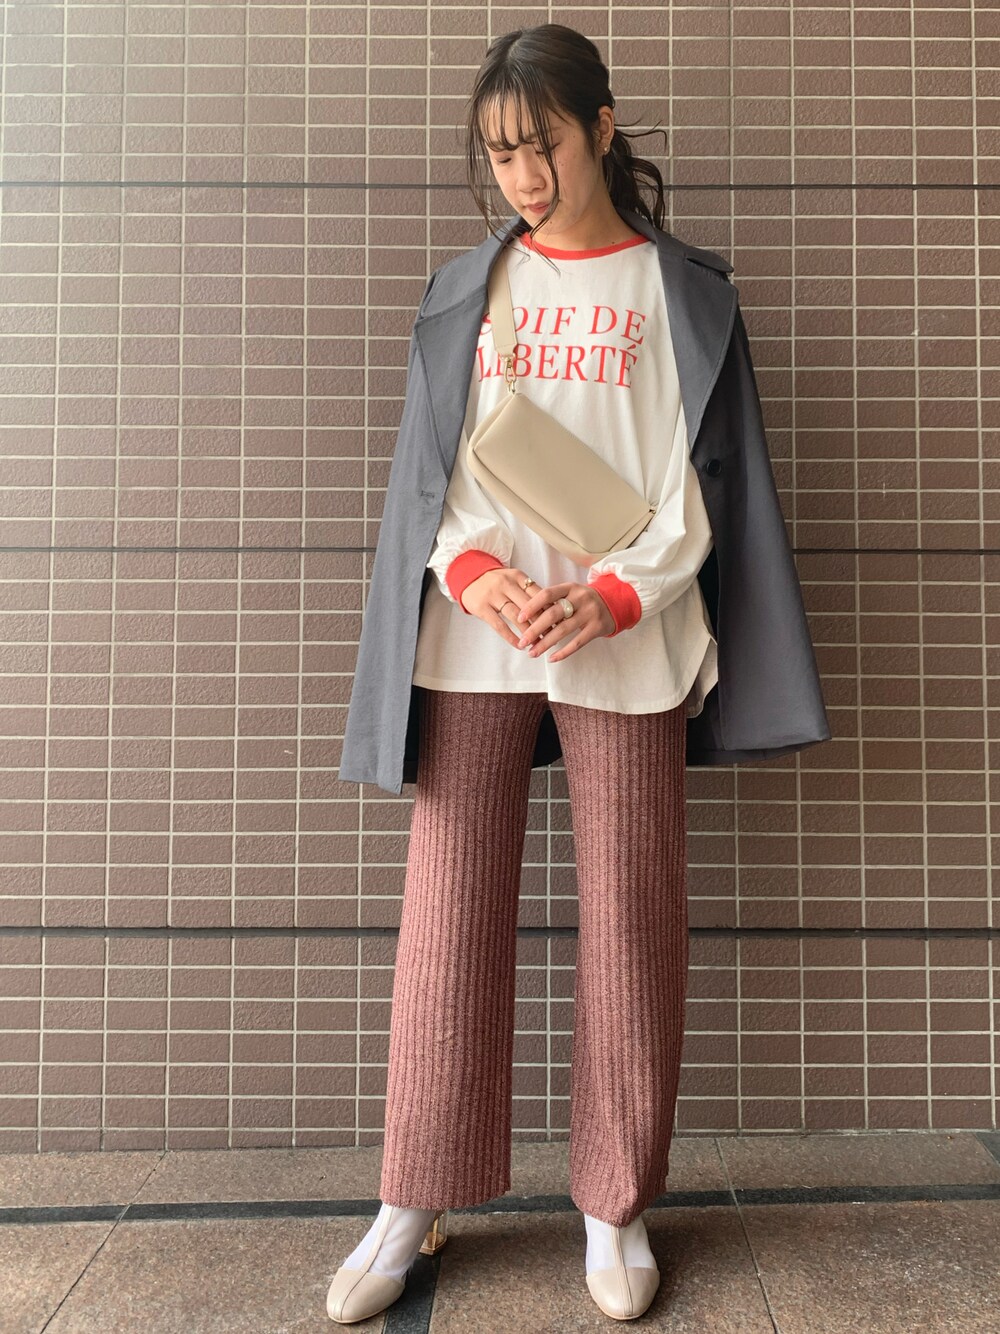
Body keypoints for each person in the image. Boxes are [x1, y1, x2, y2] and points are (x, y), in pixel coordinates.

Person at [327, 21, 829, 1326]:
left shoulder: (681, 292)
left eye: (542, 144)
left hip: (627, 628)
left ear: (602, 127)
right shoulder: (469, 288)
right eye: (501, 154)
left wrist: (611, 593)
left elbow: (698, 482)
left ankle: (615, 1203)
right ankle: (412, 1195)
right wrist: (474, 572)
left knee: (632, 911)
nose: (524, 176)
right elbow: (436, 469)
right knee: (449, 907)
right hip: (480, 630)